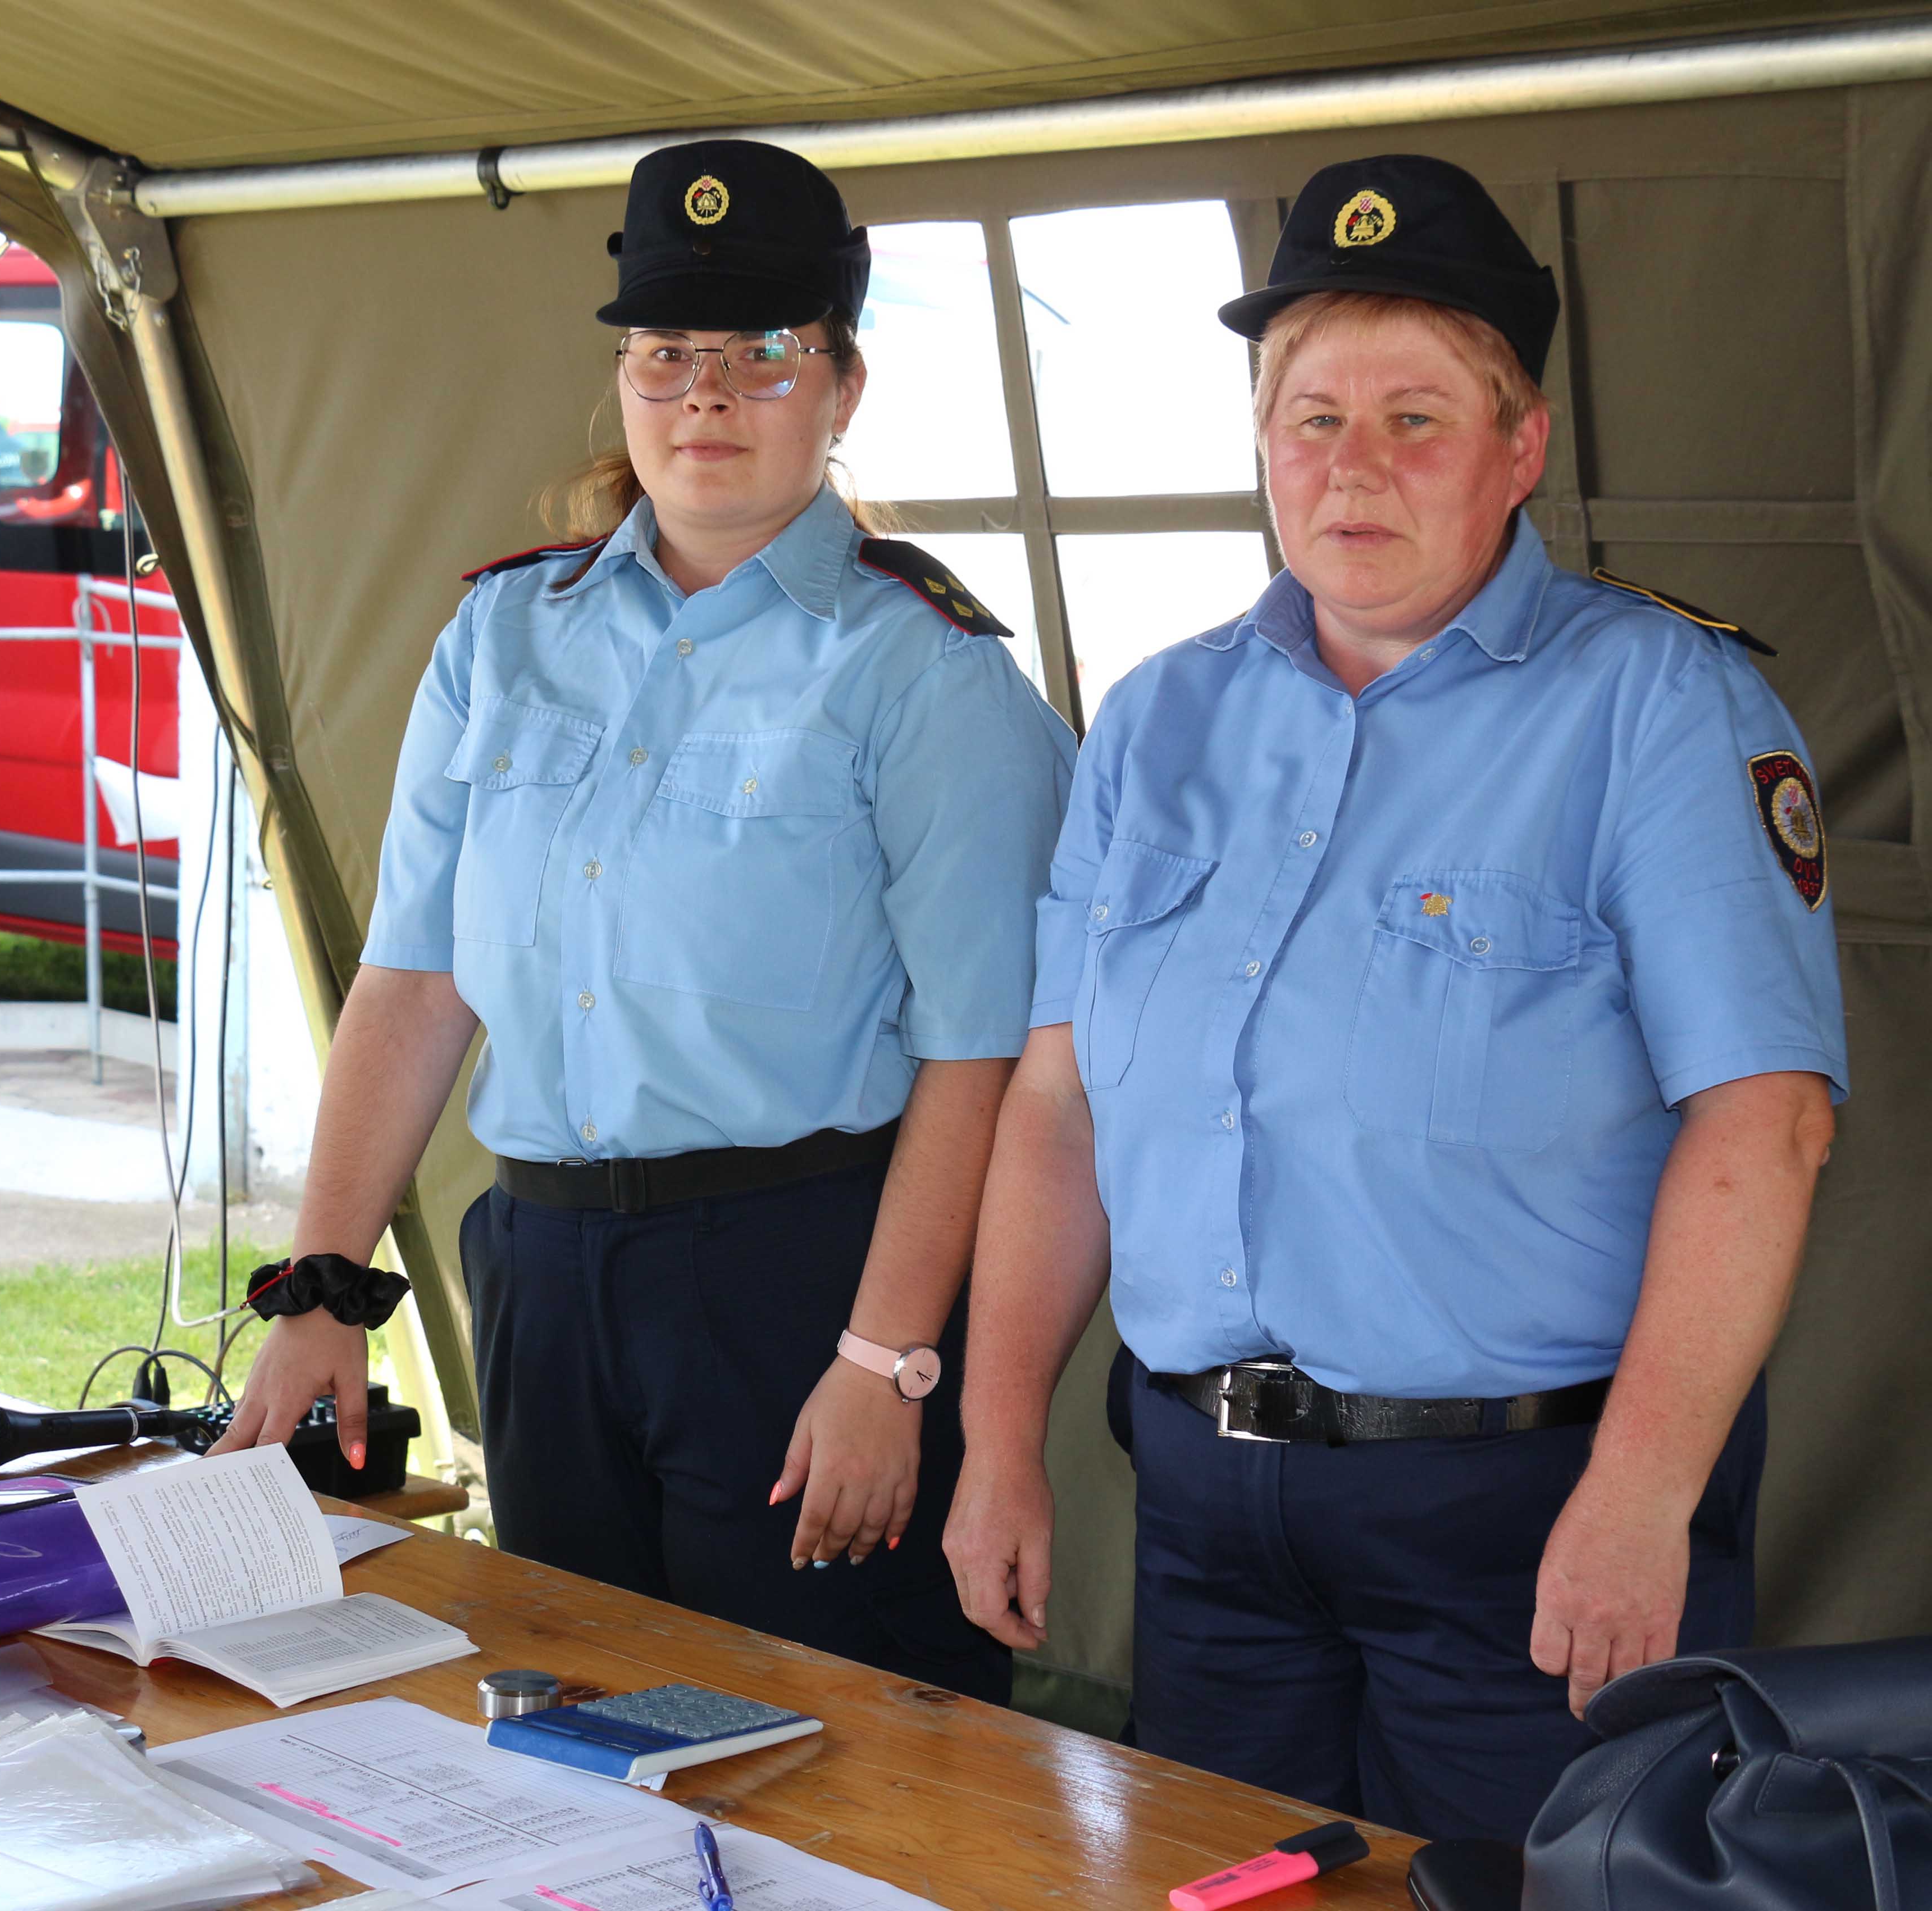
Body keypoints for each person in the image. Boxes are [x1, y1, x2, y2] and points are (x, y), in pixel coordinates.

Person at [942, 153, 1845, 1837]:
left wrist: (1645, 1493)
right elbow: (1059, 1106)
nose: (1353, 467)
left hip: (1528, 1507)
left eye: (1418, 419)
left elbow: (1767, 1121)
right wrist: (999, 1437)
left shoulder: (1660, 704)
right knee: (1230, 1888)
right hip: (1214, 1511)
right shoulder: (1158, 718)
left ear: (1521, 449)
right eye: (1312, 418)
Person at [215, 139, 1074, 1703]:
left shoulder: (925, 671)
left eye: (765, 354)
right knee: (569, 1728)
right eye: (668, 353)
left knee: (830, 1757)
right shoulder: (503, 634)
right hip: (542, 1276)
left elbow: (985, 1059)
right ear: (621, 376)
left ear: (842, 385)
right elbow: (412, 982)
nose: (708, 397)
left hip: (803, 1281)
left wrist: (886, 1363)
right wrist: (323, 1284)